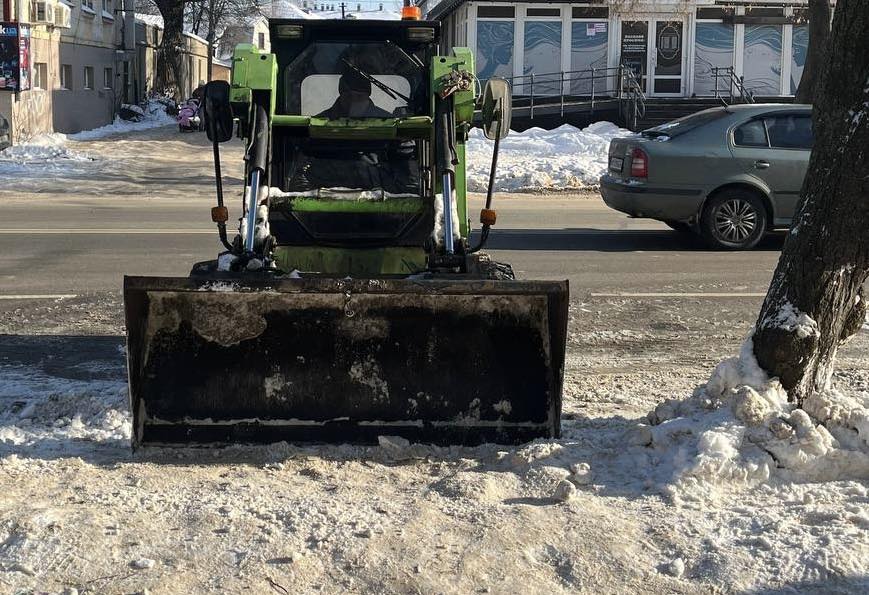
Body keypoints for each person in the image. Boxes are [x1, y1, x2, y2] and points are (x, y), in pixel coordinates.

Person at [317, 70, 393, 119]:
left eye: (359, 96)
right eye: (348, 96)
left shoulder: (388, 120)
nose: (353, 101)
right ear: (341, 96)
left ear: (367, 97)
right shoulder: (321, 121)